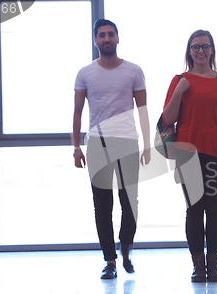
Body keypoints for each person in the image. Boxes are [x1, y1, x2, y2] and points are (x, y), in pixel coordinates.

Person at [162, 30, 217, 282]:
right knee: (194, 209)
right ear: (189, 51)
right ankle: (198, 265)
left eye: (205, 46)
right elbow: (168, 119)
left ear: (212, 51)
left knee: (215, 209)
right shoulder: (179, 80)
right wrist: (179, 91)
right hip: (188, 155)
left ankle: (213, 264)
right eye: (195, 47)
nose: (200, 51)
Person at [72, 19, 151, 279]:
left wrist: (148, 145)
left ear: (118, 38)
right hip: (97, 144)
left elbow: (143, 111)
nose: (107, 39)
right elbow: (77, 112)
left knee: (130, 203)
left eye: (111, 35)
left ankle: (125, 247)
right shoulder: (85, 73)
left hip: (127, 142)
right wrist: (76, 147)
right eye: (102, 35)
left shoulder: (134, 71)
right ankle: (110, 261)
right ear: (95, 40)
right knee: (102, 205)